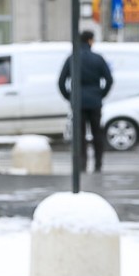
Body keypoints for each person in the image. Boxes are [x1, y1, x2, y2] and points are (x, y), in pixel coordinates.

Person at [57, 30, 115, 171]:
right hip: (95, 102)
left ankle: (82, 164)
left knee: (79, 134)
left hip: (78, 103)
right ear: (90, 40)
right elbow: (109, 79)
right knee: (97, 134)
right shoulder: (98, 58)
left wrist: (70, 97)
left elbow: (61, 81)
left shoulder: (72, 58)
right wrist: (100, 94)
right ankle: (98, 164)